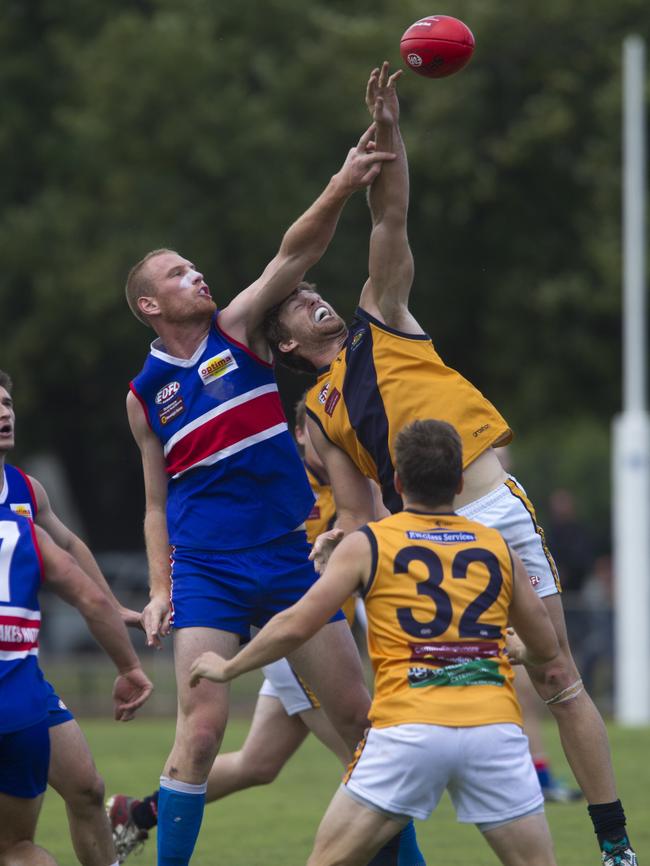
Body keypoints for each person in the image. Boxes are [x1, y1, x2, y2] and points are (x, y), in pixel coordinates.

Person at [262, 64, 637, 866]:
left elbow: (390, 217)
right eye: (297, 303)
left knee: (558, 673)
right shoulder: (318, 416)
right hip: (423, 536)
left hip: (495, 506)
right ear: (285, 345)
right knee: (430, 690)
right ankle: (408, 812)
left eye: (314, 292)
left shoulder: (382, 318)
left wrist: (391, 131)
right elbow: (362, 509)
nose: (314, 298)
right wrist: (340, 544)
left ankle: (613, 845)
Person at [124, 100, 424, 866]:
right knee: (200, 732)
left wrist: (343, 183)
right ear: (151, 307)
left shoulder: (238, 327)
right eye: (177, 273)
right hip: (209, 568)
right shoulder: (142, 392)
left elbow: (297, 250)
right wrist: (161, 589)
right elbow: (157, 504)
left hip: (290, 562)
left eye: (194, 266)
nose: (197, 274)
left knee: (362, 728)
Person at [189, 419, 561, 866]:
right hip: (492, 729)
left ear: (397, 482)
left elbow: (294, 624)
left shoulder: (368, 543)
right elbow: (547, 646)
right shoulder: (498, 546)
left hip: (408, 731)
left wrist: (228, 668)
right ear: (460, 481)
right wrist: (521, 651)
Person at [105, 393, 350, 862]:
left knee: (259, 764)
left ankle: (135, 815)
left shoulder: (352, 483)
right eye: (319, 432)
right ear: (299, 434)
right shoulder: (284, 483)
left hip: (313, 630)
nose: (329, 441)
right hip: (288, 635)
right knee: (368, 762)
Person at [0, 369, 150, 866]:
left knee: (87, 788)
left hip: (23, 678)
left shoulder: (26, 490)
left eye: (7, 403)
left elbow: (69, 549)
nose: (4, 413)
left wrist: (113, 606)